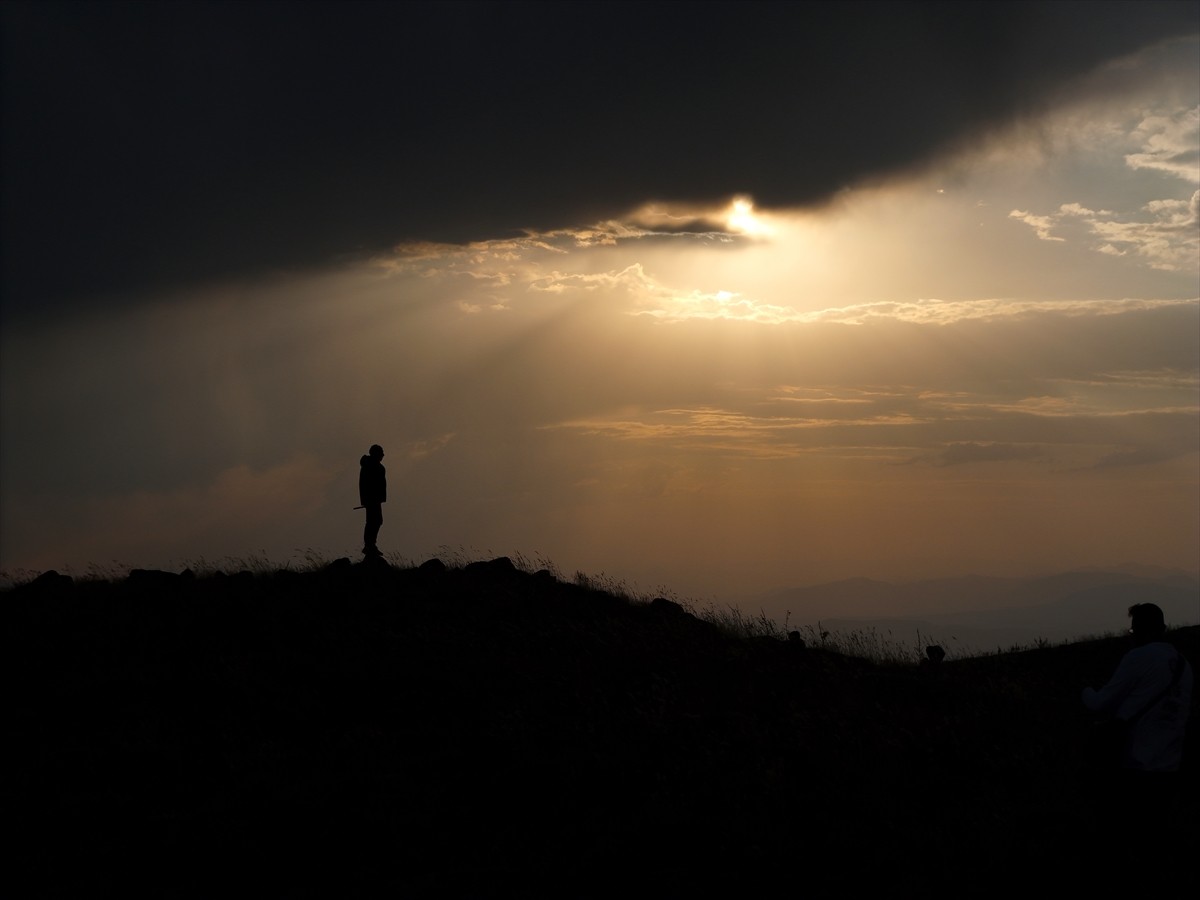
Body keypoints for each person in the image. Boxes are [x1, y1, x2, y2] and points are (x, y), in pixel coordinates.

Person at [1082, 603, 1192, 773]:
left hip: (1137, 763)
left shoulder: (1139, 657)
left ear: (1139, 630)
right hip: (1171, 764)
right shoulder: (1184, 665)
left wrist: (1085, 690)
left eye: (1133, 631)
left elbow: (1099, 703)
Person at [359, 444, 386, 557]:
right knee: (373, 521)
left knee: (376, 521)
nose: (383, 455)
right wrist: (367, 499)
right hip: (372, 499)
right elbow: (365, 484)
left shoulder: (374, 466)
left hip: (374, 499)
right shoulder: (370, 466)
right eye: (381, 453)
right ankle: (369, 545)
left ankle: (370, 545)